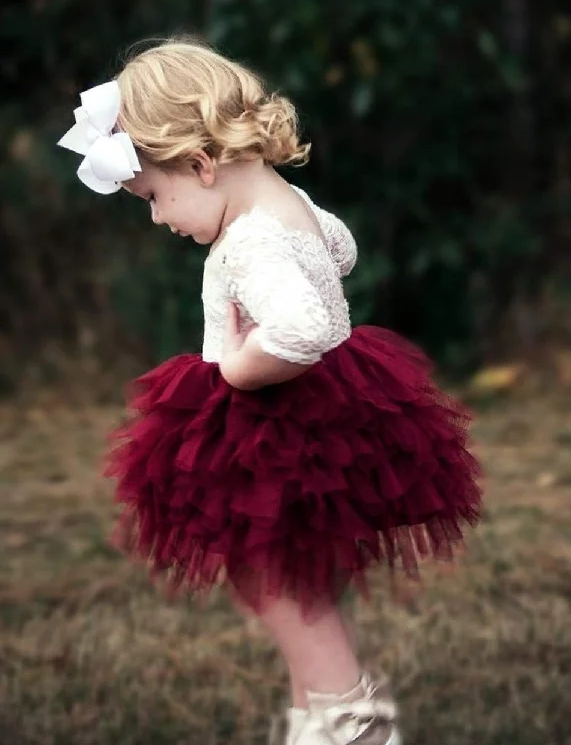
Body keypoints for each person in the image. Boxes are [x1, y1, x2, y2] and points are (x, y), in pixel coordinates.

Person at [58, 38, 482, 745]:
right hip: (327, 422)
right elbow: (338, 250)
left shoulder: (250, 242)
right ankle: (319, 711)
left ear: (201, 165)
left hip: (276, 430)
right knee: (297, 579)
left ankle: (348, 719)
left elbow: (300, 326)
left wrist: (235, 369)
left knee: (279, 588)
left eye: (155, 198)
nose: (159, 219)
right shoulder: (292, 209)